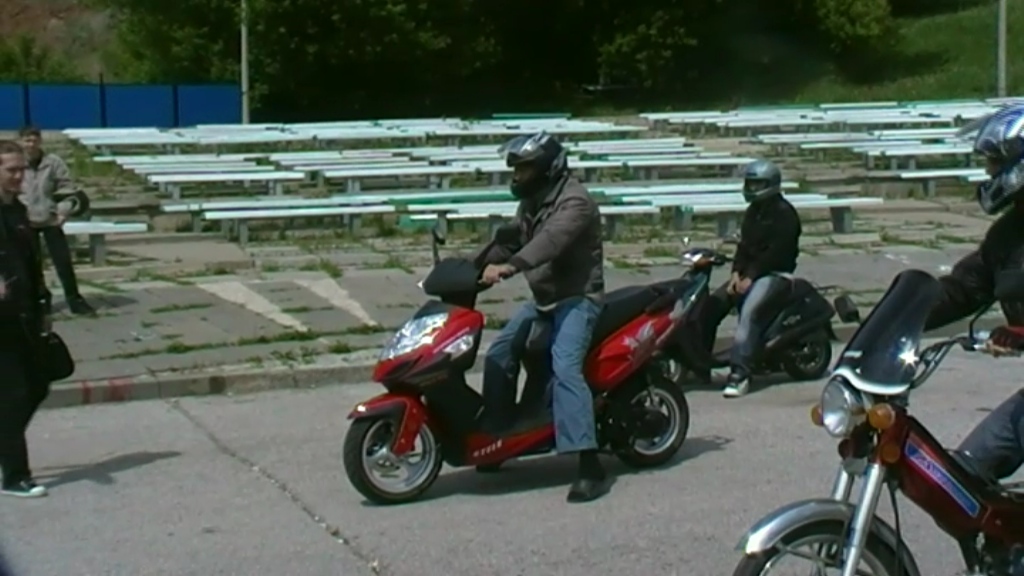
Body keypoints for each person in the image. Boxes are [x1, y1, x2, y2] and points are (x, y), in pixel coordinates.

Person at [474, 132, 608, 503]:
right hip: (545, 299)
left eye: (525, 168)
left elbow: (549, 242)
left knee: (565, 368)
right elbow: (510, 240)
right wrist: (469, 266)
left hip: (577, 299)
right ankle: (500, 434)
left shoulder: (575, 202)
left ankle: (589, 464)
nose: (517, 175)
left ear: (549, 168)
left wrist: (510, 267)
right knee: (500, 351)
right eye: (515, 168)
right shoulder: (532, 203)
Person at [923, 103, 1024, 481]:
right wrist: (898, 315)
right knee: (961, 479)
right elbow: (964, 289)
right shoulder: (1009, 234)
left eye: (995, 163)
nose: (988, 173)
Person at [696, 159, 802, 398]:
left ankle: (740, 373)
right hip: (749, 275)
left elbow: (776, 253)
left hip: (776, 275)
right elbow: (744, 246)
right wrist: (736, 272)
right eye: (750, 184)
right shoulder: (754, 212)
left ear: (771, 184)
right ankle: (701, 365)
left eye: (757, 184)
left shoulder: (785, 214)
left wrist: (750, 276)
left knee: (749, 313)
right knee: (712, 306)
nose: (752, 189)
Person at [0, 140, 54, 498]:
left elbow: (33, 265)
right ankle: (15, 476)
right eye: (11, 170)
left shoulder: (17, 211)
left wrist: (44, 306)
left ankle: (5, 445)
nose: (19, 176)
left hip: (25, 313)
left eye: (21, 169)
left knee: (38, 384)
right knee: (15, 393)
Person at [19, 126, 94, 316]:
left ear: (40, 141)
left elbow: (68, 188)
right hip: (26, 220)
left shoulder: (53, 162)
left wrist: (63, 211)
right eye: (27, 140)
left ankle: (75, 300)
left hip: (50, 218)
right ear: (21, 142)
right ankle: (40, 300)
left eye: (34, 140)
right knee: (32, 264)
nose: (31, 144)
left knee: (63, 262)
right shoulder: (16, 163)